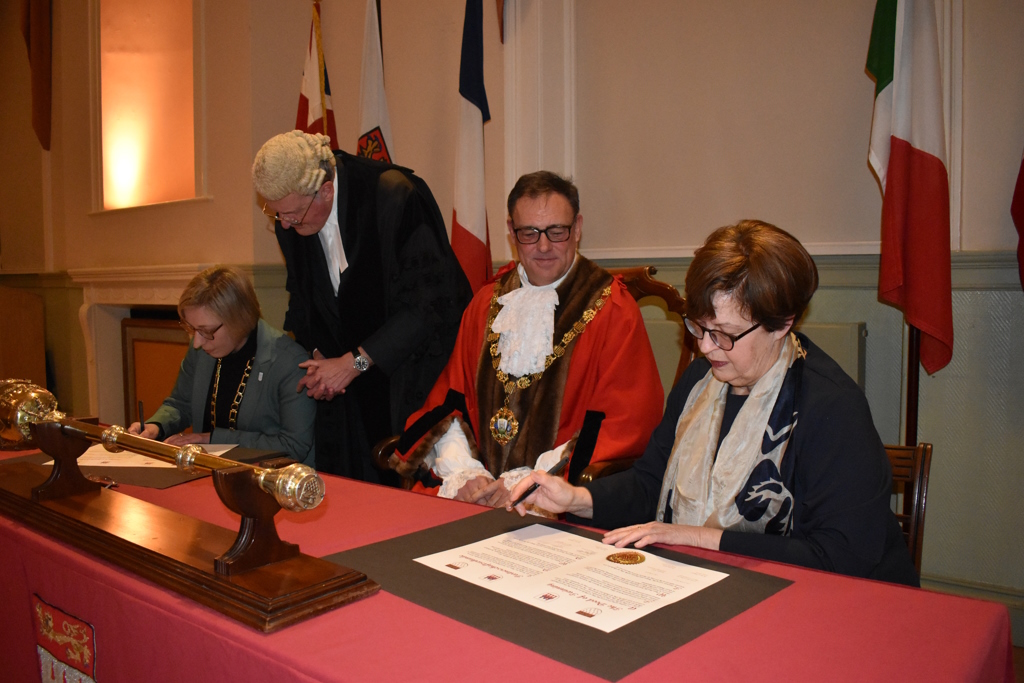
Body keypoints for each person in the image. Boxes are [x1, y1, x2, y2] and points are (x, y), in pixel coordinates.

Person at [508, 220, 919, 586]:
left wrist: (699, 538)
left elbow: (840, 559)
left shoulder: (831, 408)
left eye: (724, 333)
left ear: (782, 324)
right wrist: (577, 498)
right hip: (712, 587)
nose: (705, 347)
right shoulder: (700, 382)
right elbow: (651, 483)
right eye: (698, 326)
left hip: (829, 610)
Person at [394, 171, 664, 508]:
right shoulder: (486, 303)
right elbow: (452, 399)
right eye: (529, 233)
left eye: (557, 231)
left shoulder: (612, 310)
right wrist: (466, 474)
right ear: (511, 231)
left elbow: (623, 427)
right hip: (478, 494)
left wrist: (529, 484)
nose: (544, 246)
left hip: (557, 501)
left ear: (577, 228)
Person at [252, 131, 472, 481]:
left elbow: (431, 305)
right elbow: (302, 297)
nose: (287, 225)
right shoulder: (292, 216)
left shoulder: (395, 197)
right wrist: (319, 357)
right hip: (347, 395)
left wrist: (356, 362)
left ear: (325, 189)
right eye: (279, 216)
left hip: (410, 377)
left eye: (293, 215)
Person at [129, 266, 316, 465]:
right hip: (208, 471)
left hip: (272, 482)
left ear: (239, 320)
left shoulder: (288, 361)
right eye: (192, 329)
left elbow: (293, 445)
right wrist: (156, 426)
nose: (197, 342)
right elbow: (181, 402)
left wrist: (211, 440)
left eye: (205, 331)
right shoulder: (201, 348)